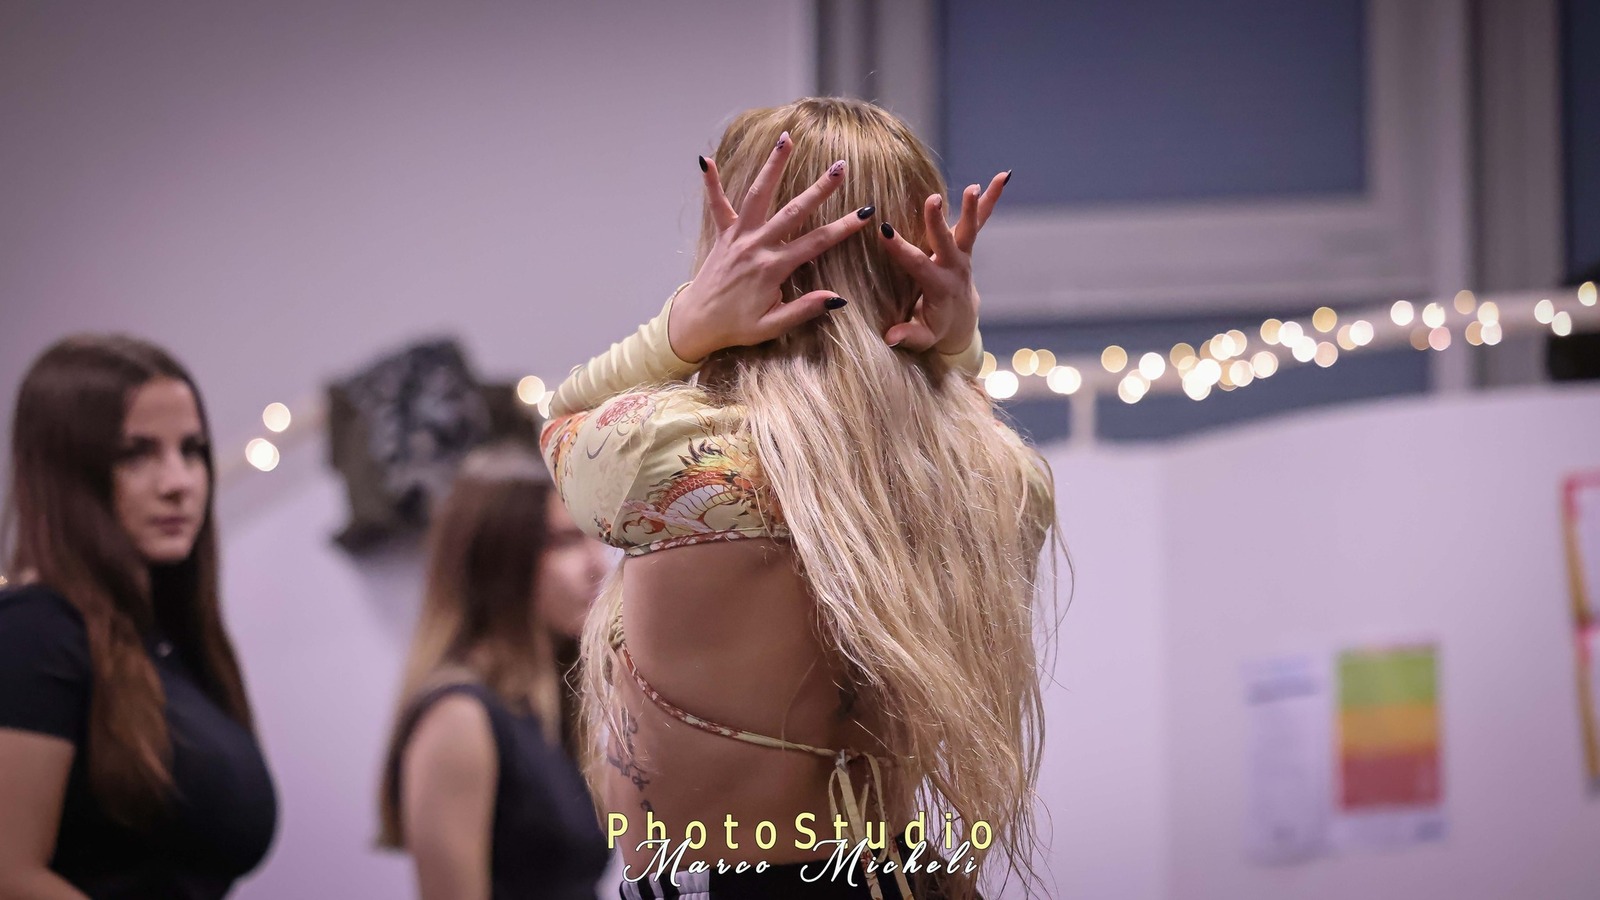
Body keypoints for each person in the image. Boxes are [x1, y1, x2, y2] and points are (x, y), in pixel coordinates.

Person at [540, 97, 1058, 900]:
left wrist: (682, 327)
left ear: (733, 250)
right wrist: (956, 345)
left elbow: (562, 418)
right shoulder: (999, 478)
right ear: (919, 267)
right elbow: (954, 412)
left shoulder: (670, 456)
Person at [0, 335, 278, 899]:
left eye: (192, 450)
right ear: (66, 474)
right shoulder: (36, 633)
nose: (179, 483)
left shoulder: (171, 643)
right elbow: (10, 876)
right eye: (136, 454)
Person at [378, 442, 613, 900]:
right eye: (566, 542)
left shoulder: (549, 705)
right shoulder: (460, 717)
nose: (596, 564)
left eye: (592, 537)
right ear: (501, 561)